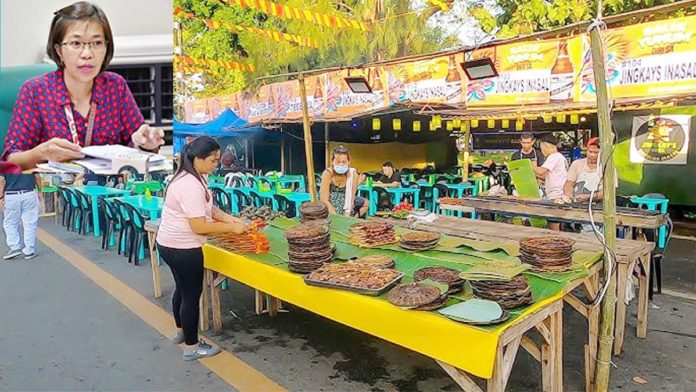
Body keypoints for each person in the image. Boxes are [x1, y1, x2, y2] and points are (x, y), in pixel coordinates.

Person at [3, 2, 164, 170]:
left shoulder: (116, 87)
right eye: (76, 43)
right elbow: (11, 159)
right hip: (54, 189)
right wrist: (42, 153)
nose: (87, 54)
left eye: (97, 43)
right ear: (59, 50)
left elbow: (136, 142)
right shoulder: (35, 91)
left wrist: (147, 143)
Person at [156, 136, 248, 361]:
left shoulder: (195, 177)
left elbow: (210, 209)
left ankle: (180, 331)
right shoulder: (189, 185)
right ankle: (192, 346)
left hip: (169, 244)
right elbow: (199, 226)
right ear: (198, 158)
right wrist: (231, 229)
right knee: (191, 295)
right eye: (213, 160)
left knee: (181, 289)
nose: (217, 164)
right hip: (183, 248)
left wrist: (232, 219)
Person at [1, 173, 43, 260]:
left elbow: (1, 180)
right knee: (30, 223)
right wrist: (39, 191)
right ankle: (30, 249)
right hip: (29, 193)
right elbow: (37, 176)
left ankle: (14, 247)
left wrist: (0, 197)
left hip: (11, 195)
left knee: (10, 222)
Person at [320, 146, 369, 217]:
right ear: (332, 161)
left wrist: (348, 214)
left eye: (344, 162)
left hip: (346, 201)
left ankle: (353, 219)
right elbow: (324, 199)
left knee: (366, 203)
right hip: (330, 204)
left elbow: (352, 195)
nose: (341, 164)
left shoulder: (352, 173)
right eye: (338, 162)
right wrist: (335, 215)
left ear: (349, 161)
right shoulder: (328, 173)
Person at [564, 137, 617, 202]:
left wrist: (589, 197)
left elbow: (610, 191)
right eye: (590, 151)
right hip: (577, 203)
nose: (592, 155)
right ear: (586, 150)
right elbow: (569, 183)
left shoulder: (609, 168)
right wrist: (569, 195)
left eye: (596, 152)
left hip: (600, 205)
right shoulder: (576, 164)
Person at [532, 134, 568, 200]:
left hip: (557, 193)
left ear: (547, 146)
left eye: (542, 149)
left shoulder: (554, 156)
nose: (542, 152)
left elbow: (541, 172)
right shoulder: (559, 157)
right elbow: (545, 176)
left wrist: (530, 165)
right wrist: (533, 174)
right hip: (557, 193)